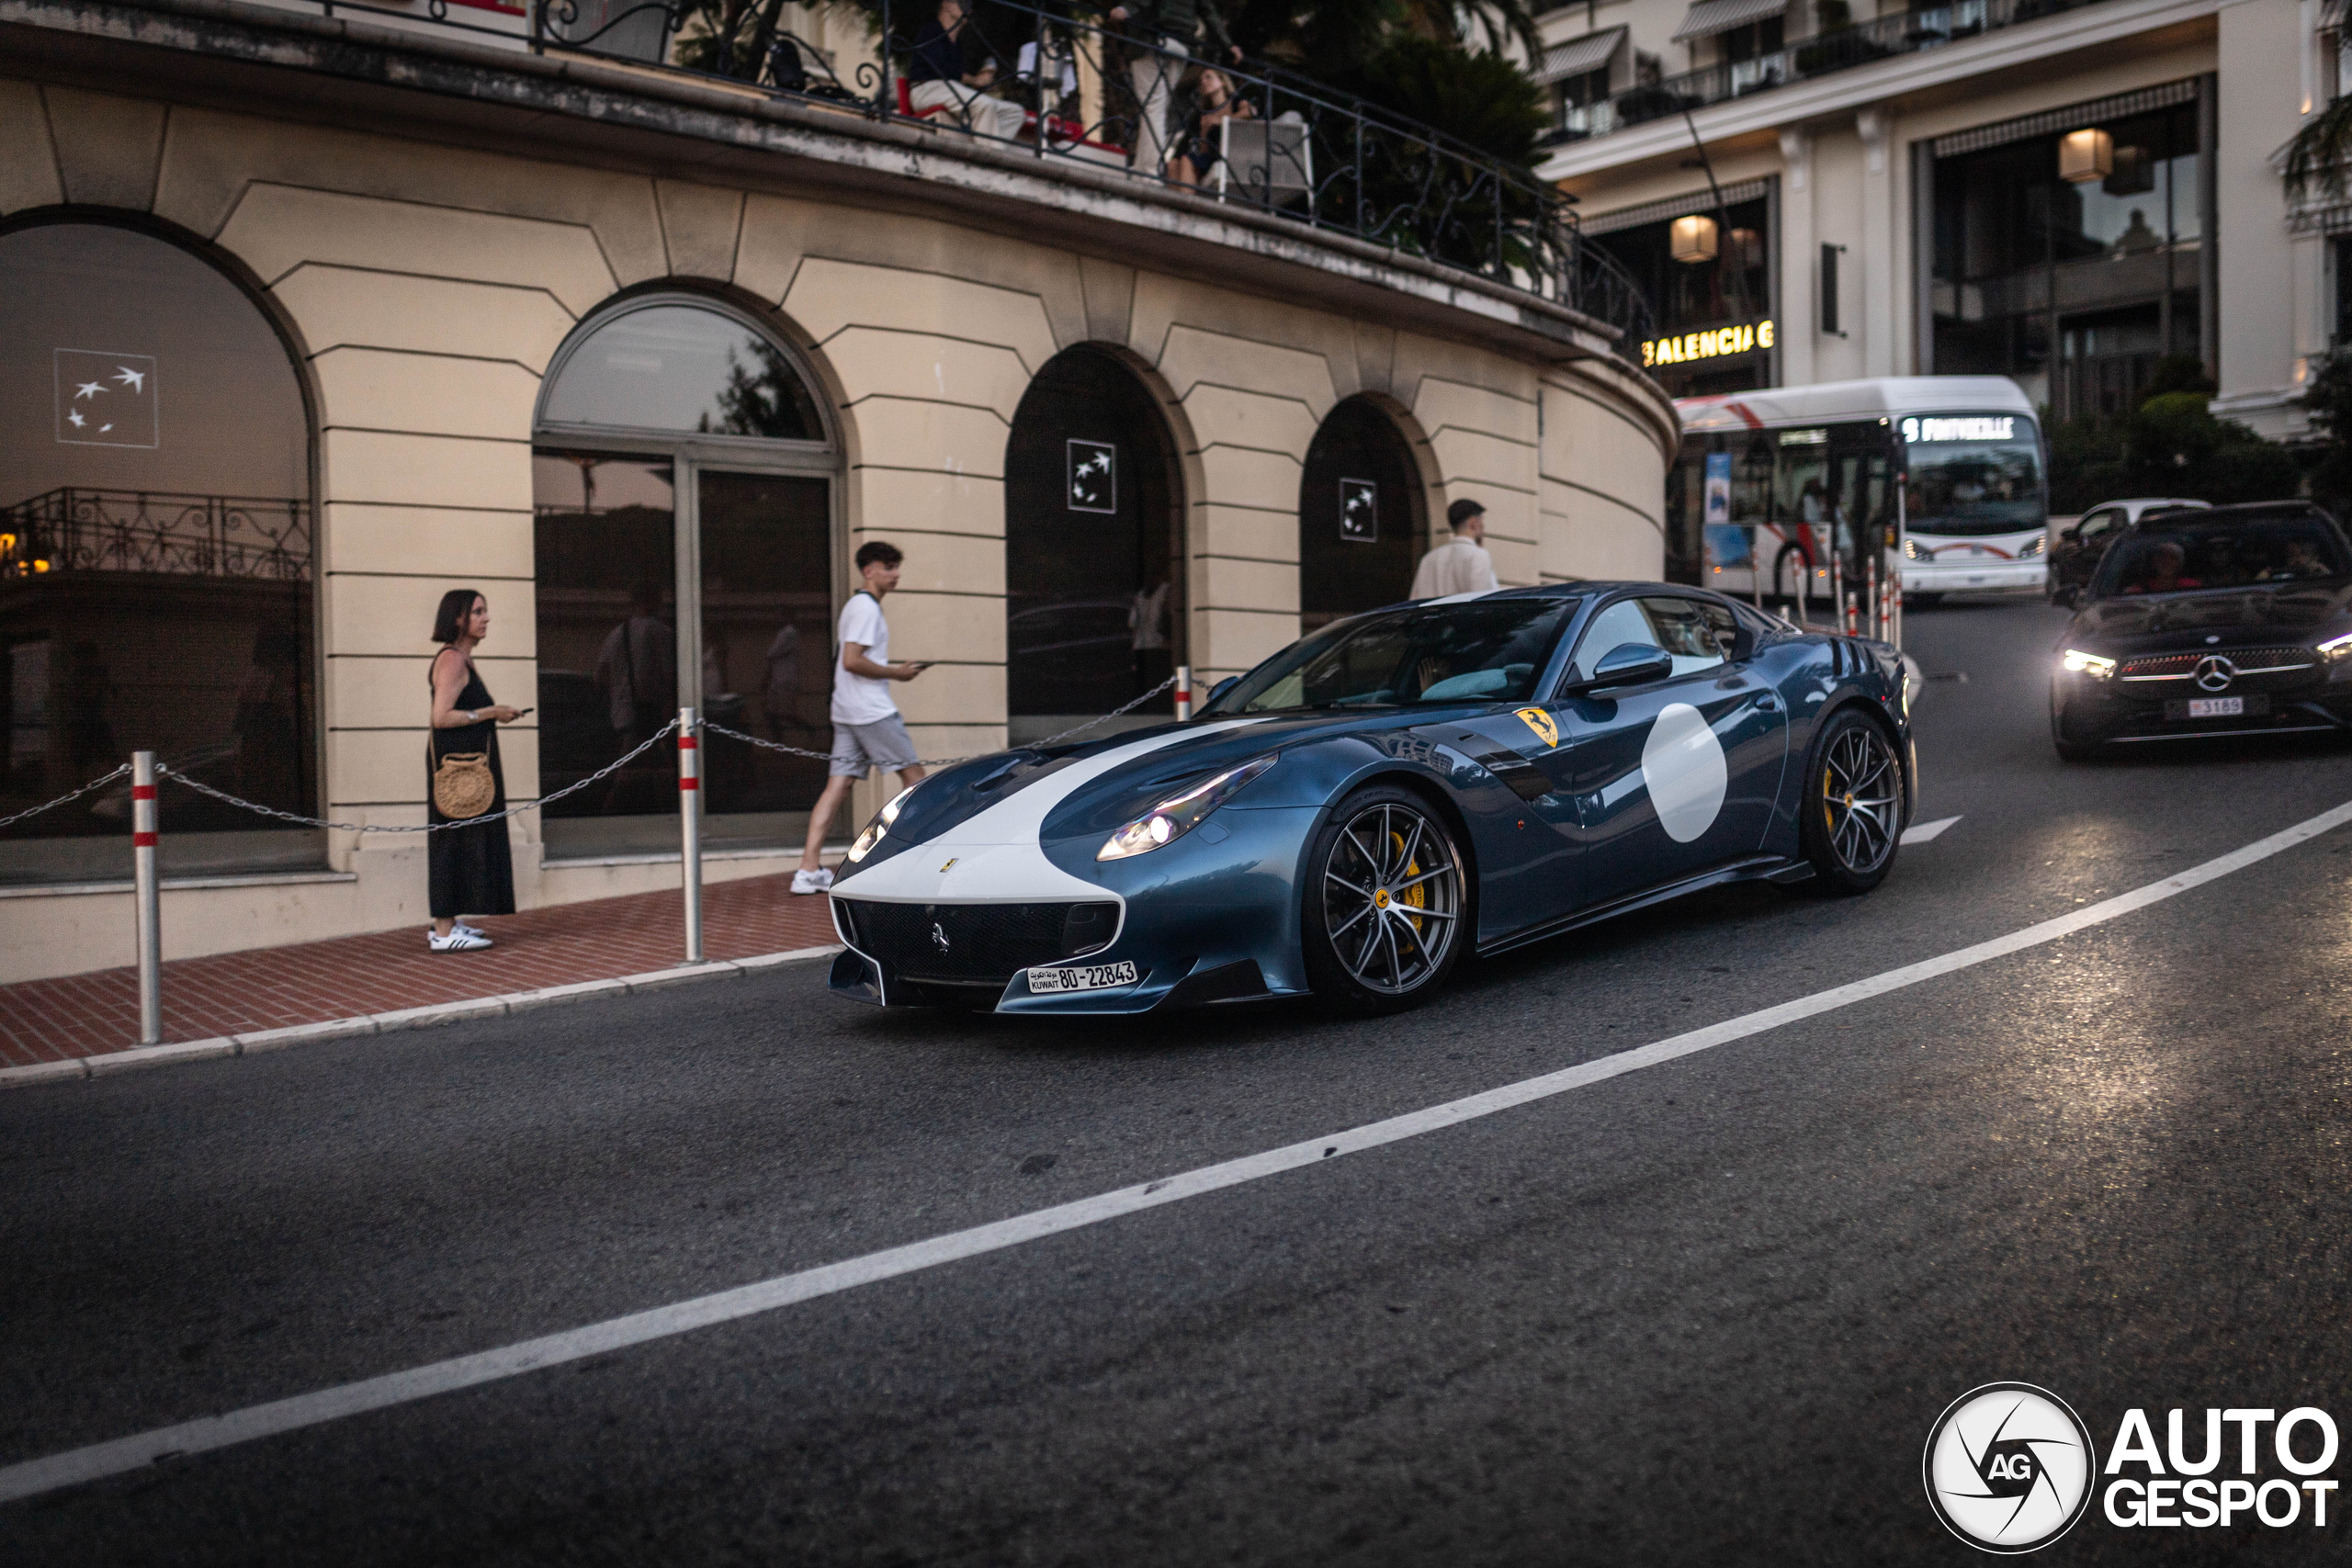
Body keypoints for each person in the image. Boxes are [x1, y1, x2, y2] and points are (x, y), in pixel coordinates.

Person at [794, 541, 930, 895]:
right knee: (917, 781)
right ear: (869, 571)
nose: (895, 573)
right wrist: (896, 673)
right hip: (871, 711)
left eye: (896, 566)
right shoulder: (866, 608)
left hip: (847, 709)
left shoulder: (859, 606)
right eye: (888, 567)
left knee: (839, 786)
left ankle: (808, 870)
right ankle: (906, 856)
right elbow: (852, 660)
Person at [425, 589, 521, 951]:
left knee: (462, 838)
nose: (486, 618)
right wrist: (491, 712)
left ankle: (448, 923)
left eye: (485, 611)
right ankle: (444, 932)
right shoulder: (452, 661)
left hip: (468, 764)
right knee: (453, 838)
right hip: (457, 768)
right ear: (457, 619)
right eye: (478, 611)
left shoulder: (463, 660)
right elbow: (441, 716)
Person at [907, 0, 1026, 141]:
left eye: (969, 7)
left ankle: (987, 148)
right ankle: (988, 155)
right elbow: (940, 69)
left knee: (1015, 113)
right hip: (926, 89)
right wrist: (975, 80)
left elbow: (954, 76)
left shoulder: (957, 45)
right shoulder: (931, 32)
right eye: (962, 4)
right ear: (947, 4)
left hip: (945, 89)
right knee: (984, 105)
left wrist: (981, 84)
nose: (968, 11)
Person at [1169, 66, 1253, 186]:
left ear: (1222, 81)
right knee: (1173, 163)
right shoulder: (1206, 112)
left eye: (1209, 77)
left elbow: (1249, 112)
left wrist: (1221, 120)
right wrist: (1204, 130)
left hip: (1234, 154)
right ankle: (1172, 204)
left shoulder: (1235, 100)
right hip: (1211, 156)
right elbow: (1204, 149)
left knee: (1186, 160)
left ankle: (1184, 203)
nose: (1203, 82)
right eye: (1201, 80)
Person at [1410, 498, 1501, 598]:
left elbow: (1414, 599)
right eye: (1481, 521)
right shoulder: (1479, 555)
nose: (1483, 527)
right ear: (1473, 522)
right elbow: (1481, 600)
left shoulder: (1428, 559)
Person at [2122, 539, 2200, 595]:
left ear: (2179, 563)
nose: (2167, 562)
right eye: (2162, 558)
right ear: (2154, 562)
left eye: (2172, 558)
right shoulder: (2137, 591)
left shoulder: (2193, 587)